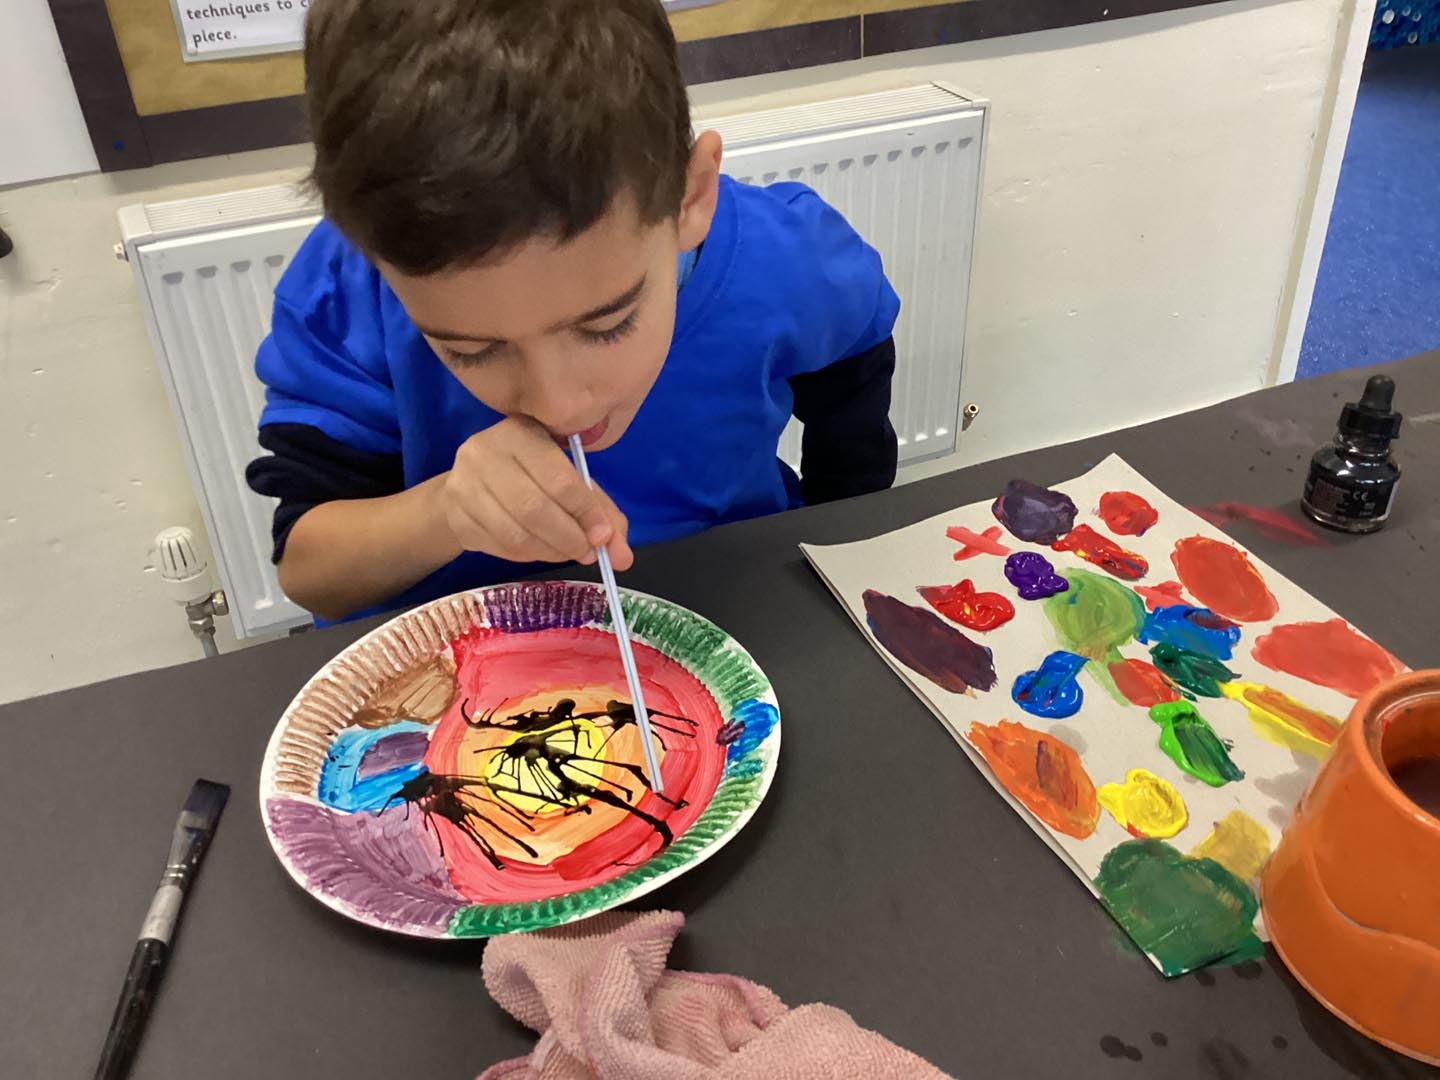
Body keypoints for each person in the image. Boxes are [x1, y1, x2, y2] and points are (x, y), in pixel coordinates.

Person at [246, 0, 901, 622]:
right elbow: (310, 573)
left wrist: (838, 539)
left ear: (689, 198)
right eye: (469, 350)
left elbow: (855, 363)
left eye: (607, 323)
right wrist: (446, 511)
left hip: (735, 617)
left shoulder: (785, 258)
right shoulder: (349, 289)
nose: (558, 408)